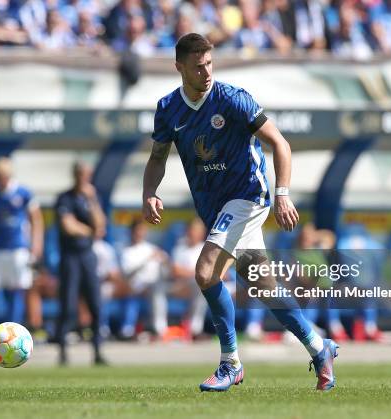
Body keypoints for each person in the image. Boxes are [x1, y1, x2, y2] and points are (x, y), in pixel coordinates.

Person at [142, 33, 338, 392]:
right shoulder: (168, 108)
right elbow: (157, 158)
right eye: (198, 66)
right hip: (214, 207)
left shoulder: (232, 99)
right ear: (179, 67)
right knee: (264, 286)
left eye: (210, 64)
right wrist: (149, 192)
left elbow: (280, 143)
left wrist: (282, 194)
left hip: (248, 195)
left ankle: (230, 362)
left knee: (205, 272)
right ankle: (318, 346)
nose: (206, 72)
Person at [0, 157, 44, 351]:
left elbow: (36, 219)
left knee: (17, 290)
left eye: (2, 176)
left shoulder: (23, 193)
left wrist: (36, 244)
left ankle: (15, 332)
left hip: (17, 249)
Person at [54, 162, 107, 365]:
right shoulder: (64, 198)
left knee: (95, 305)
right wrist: (90, 230)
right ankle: (63, 353)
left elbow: (100, 225)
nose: (83, 178)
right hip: (70, 257)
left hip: (87, 256)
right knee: (68, 305)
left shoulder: (91, 198)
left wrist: (92, 199)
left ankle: (97, 352)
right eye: (80, 174)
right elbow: (68, 226)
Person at [119, 218, 168, 339]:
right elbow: (127, 273)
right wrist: (147, 259)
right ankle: (127, 330)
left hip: (154, 285)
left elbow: (167, 270)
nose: (140, 233)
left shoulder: (152, 248)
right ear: (132, 232)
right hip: (134, 285)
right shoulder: (126, 250)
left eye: (142, 230)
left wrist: (164, 261)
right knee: (134, 292)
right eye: (137, 230)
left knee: (157, 290)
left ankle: (159, 330)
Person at [170, 218, 208, 339]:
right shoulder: (180, 247)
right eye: (192, 230)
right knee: (200, 283)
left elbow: (215, 272)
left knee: (202, 285)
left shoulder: (207, 248)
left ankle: (195, 329)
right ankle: (194, 329)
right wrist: (198, 274)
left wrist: (197, 275)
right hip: (179, 286)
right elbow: (176, 271)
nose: (194, 233)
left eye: (197, 230)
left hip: (199, 285)